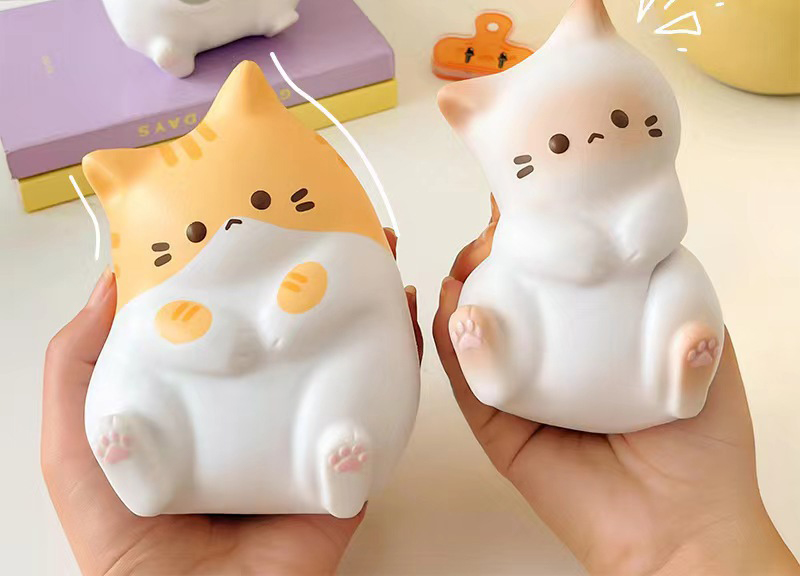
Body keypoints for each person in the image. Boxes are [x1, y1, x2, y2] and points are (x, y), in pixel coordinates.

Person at [43, 219, 799, 575]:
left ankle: (339, 465)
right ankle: (149, 470)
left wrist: (688, 540)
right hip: (187, 430)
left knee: (354, 385)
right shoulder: (160, 294)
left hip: (319, 407)